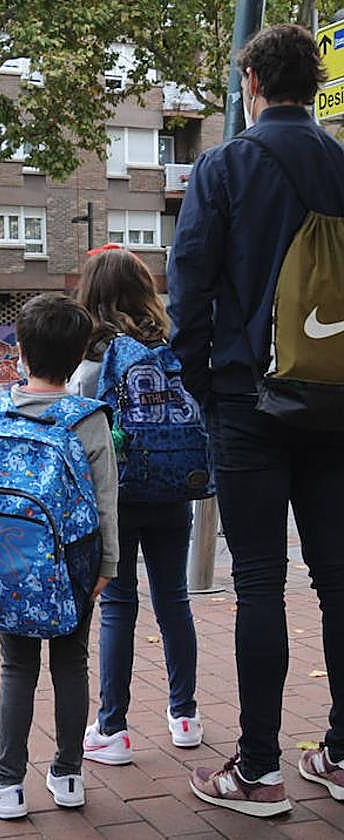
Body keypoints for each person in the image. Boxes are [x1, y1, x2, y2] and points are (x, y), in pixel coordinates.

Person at [170, 23, 344, 817]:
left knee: (262, 581)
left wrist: (206, 388)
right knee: (338, 579)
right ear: (314, 85)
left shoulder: (226, 166)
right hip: (337, 403)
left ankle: (261, 771)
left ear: (251, 83)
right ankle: (338, 754)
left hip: (248, 401)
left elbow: (190, 291)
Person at [0, 293, 117, 820]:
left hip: (9, 558)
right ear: (78, 357)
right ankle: (69, 774)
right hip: (75, 560)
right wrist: (109, 565)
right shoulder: (88, 419)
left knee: (17, 666)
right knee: (72, 662)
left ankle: (8, 784)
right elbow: (105, 500)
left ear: (22, 352)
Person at [71, 247, 202, 767]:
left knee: (118, 606)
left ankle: (113, 728)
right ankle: (185, 716)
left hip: (119, 496)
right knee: (175, 600)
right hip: (175, 484)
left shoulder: (93, 359)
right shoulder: (172, 347)